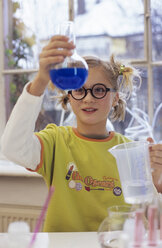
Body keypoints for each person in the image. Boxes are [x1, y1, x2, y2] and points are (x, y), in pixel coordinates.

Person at [0, 35, 161, 232]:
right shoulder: (55, 142)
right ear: (69, 97)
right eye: (79, 90)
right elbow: (12, 148)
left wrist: (156, 185)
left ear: (115, 98)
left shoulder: (130, 153)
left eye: (99, 90)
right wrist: (41, 80)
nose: (88, 99)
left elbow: (151, 223)